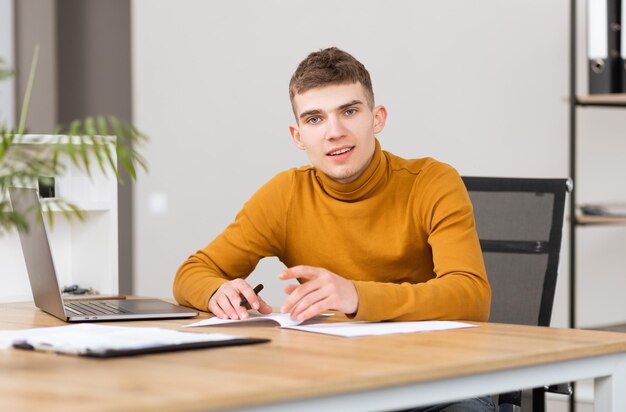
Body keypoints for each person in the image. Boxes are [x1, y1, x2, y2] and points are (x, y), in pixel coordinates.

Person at [174, 46, 494, 412]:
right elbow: (191, 273)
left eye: (350, 111)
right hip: (333, 382)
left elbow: (471, 295)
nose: (334, 132)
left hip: (436, 382)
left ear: (377, 118)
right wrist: (219, 291)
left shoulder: (432, 182)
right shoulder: (285, 194)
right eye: (315, 119)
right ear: (298, 136)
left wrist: (356, 296)